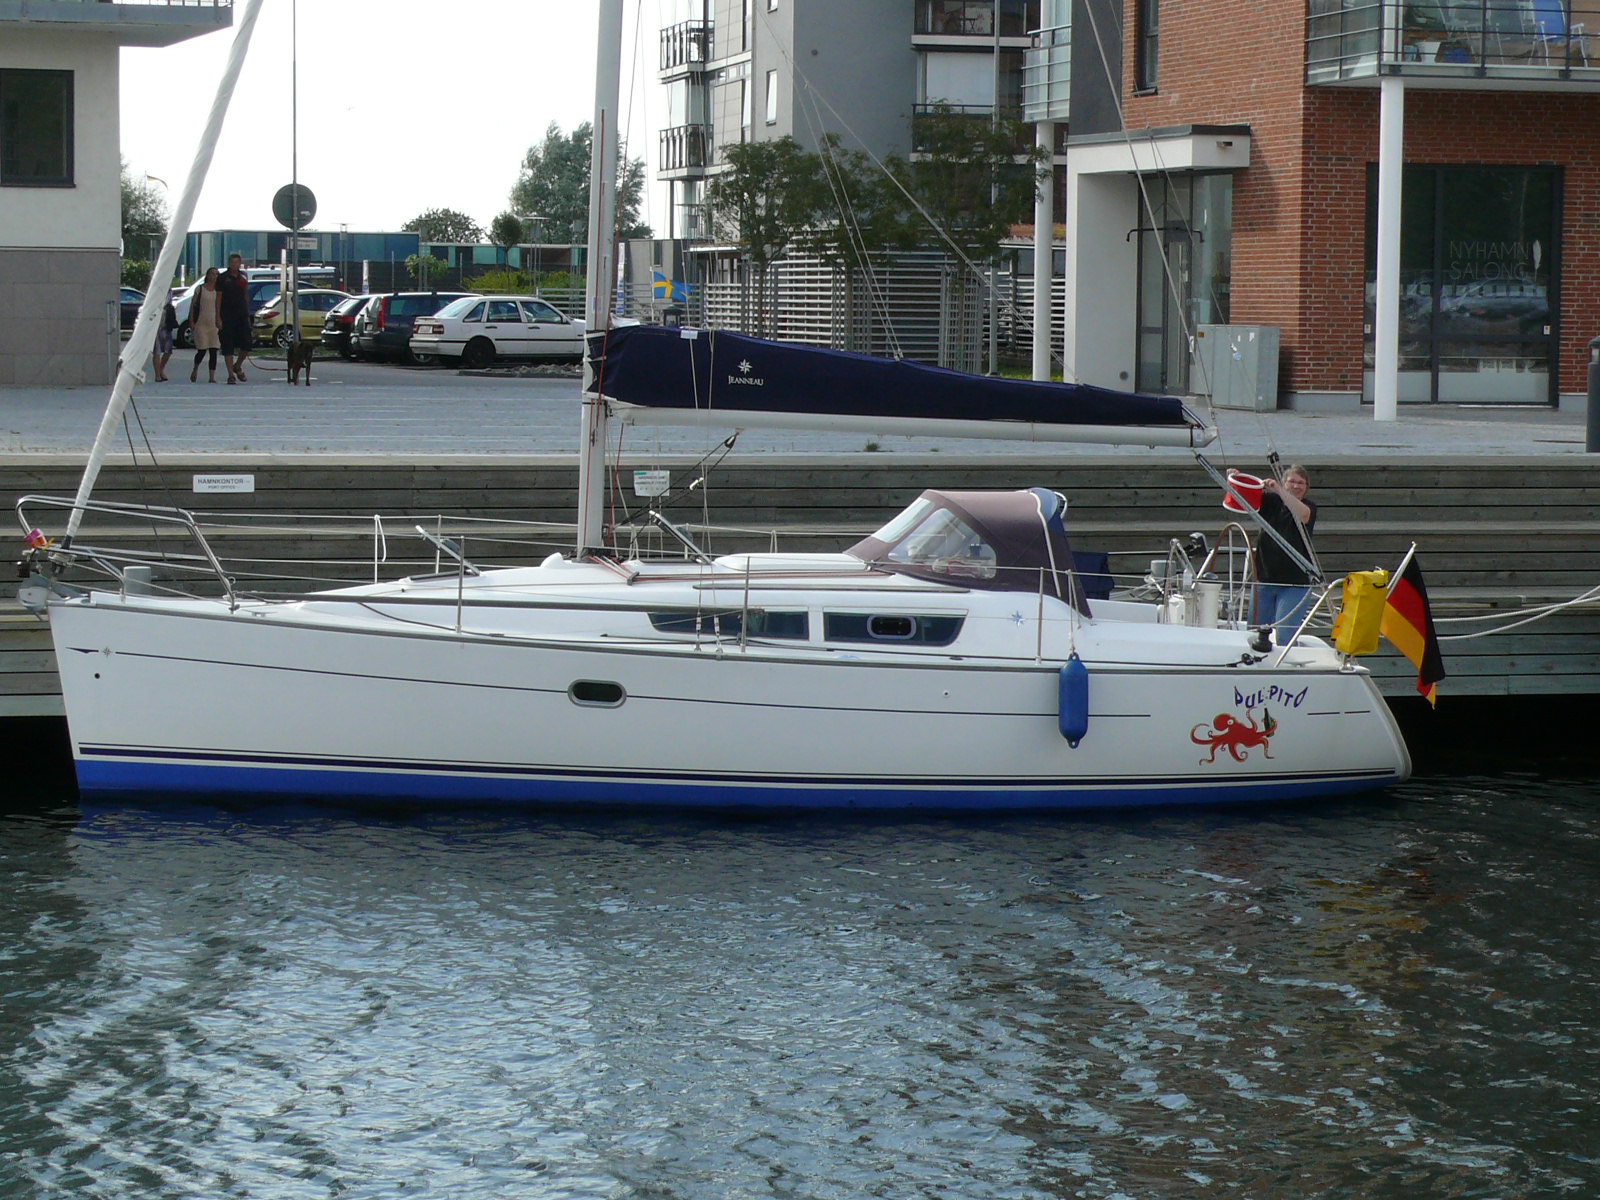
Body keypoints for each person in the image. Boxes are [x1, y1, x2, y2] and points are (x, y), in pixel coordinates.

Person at [1254, 464, 1318, 635]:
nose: (1296, 486)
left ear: (1307, 487)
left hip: (1295, 584)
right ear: (1284, 483)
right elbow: (1242, 500)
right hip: (1265, 580)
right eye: (1292, 482)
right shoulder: (1269, 502)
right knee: (1255, 633)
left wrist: (1279, 490)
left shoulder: (1309, 506)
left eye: (1301, 483)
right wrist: (1234, 478)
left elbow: (1303, 515)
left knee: (1284, 635)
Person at [217, 252, 252, 384]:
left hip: (241, 314)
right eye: (232, 262)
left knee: (247, 343)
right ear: (229, 263)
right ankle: (230, 374)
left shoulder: (243, 276)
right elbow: (218, 297)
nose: (234, 265)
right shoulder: (223, 278)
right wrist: (218, 317)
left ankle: (237, 365)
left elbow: (245, 294)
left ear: (240, 263)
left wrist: (247, 313)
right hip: (227, 315)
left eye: (237, 262)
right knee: (228, 345)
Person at [189, 268, 222, 383]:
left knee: (214, 350)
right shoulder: (200, 289)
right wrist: (191, 321)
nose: (214, 276)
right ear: (207, 275)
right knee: (202, 350)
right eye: (212, 274)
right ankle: (195, 369)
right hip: (201, 322)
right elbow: (193, 306)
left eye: (216, 274)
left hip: (214, 323)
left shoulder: (219, 290)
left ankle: (212, 377)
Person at [152, 291, 178, 382]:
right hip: (156, 324)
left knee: (168, 351)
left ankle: (160, 369)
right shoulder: (156, 290)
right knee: (157, 351)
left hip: (167, 323)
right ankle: (157, 374)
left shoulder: (169, 291)